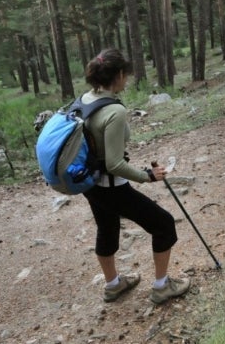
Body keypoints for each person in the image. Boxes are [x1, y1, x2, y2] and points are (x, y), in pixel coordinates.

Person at [81, 48, 190, 304]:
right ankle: (162, 287)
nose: (127, 80)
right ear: (119, 75)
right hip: (110, 185)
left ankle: (113, 285)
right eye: (126, 75)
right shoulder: (114, 112)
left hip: (89, 183)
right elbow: (115, 163)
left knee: (107, 227)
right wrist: (147, 175)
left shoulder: (87, 98)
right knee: (163, 224)